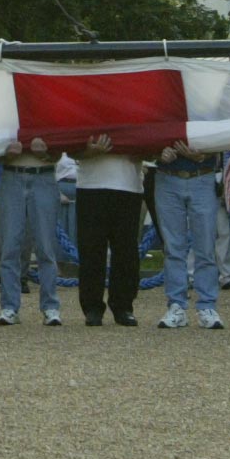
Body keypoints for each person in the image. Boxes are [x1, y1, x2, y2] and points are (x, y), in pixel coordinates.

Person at [71, 134, 145, 327]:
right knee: (91, 248)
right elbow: (71, 147)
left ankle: (123, 306)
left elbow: (150, 147)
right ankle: (92, 307)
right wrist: (89, 151)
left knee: (126, 250)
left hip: (128, 184)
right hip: (91, 184)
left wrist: (141, 149)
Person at [150, 141, 222, 330]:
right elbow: (149, 138)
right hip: (167, 177)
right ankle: (176, 305)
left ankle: (207, 305)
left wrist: (205, 154)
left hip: (203, 176)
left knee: (206, 246)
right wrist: (158, 153)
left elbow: (222, 137)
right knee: (173, 247)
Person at [0, 135, 62, 327]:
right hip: (11, 174)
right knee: (9, 246)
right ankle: (9, 306)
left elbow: (60, 149)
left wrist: (48, 153)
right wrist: (6, 154)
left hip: (44, 175)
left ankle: (50, 306)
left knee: (46, 247)